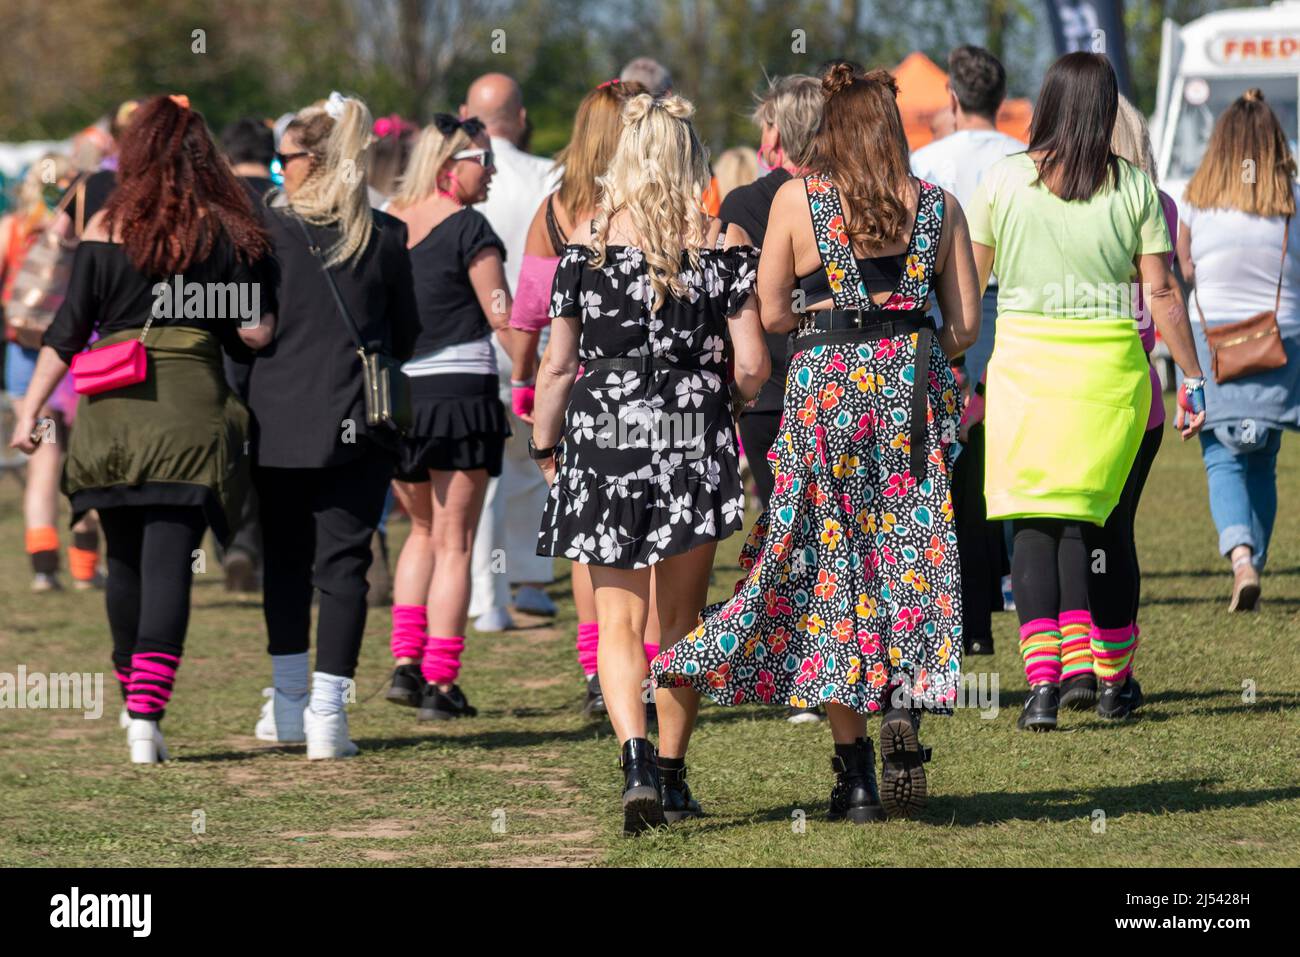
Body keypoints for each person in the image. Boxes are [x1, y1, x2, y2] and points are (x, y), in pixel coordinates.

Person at [653, 64, 980, 825]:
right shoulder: (938, 207)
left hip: (828, 390)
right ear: (894, 131)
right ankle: (901, 693)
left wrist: (826, 307)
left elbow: (767, 310)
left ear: (830, 133)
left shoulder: (800, 202)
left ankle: (857, 776)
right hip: (908, 396)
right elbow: (963, 326)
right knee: (909, 556)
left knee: (832, 570)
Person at [8, 94, 274, 764]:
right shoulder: (221, 230)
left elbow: (66, 334)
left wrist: (31, 412)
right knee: (168, 563)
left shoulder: (103, 229)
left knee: (122, 559)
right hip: (188, 412)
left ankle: (133, 700)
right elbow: (247, 340)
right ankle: (146, 714)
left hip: (109, 413)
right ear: (199, 154)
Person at [533, 92, 768, 834]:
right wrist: (725, 397)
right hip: (691, 433)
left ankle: (632, 757)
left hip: (605, 432)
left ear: (624, 159)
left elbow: (558, 365)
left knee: (617, 620)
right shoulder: (720, 242)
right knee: (682, 620)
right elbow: (755, 362)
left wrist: (546, 443)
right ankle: (669, 770)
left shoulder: (588, 243)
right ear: (689, 157)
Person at [967, 53, 1206, 731]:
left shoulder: (1003, 182)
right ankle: (1113, 681)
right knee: (1105, 531)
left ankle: (1042, 689)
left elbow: (972, 288)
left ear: (1044, 102)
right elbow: (1160, 291)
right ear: (1106, 112)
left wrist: (952, 360)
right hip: (1109, 384)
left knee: (1034, 528)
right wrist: (1191, 373)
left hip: (1024, 377)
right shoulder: (1132, 188)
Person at [245, 92, 419, 759]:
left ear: (310, 160)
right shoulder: (386, 236)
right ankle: (328, 717)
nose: (276, 168)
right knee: (343, 567)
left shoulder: (264, 235)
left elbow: (246, 332)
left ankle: (290, 705)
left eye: (283, 156)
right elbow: (407, 334)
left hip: (276, 420)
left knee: (284, 563)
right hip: (359, 417)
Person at [508, 78, 648, 717]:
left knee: (593, 539)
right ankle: (648, 668)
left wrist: (522, 383)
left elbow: (529, 313)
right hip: (655, 383)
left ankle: (599, 670)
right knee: (655, 538)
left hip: (579, 389)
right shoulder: (657, 207)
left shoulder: (554, 211)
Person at [382, 113, 514, 722]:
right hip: (461, 390)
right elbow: (500, 314)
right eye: (481, 162)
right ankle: (441, 679)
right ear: (447, 167)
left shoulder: (385, 223)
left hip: (397, 396)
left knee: (421, 533)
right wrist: (542, 376)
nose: (491, 173)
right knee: (456, 542)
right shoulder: (469, 227)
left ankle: (405, 666)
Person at [717, 72, 825, 723]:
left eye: (764, 124)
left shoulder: (746, 203)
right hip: (837, 382)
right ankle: (834, 663)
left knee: (785, 533)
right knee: (835, 531)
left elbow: (739, 304)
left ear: (778, 133)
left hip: (768, 395)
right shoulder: (851, 196)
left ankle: (800, 665)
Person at [1177, 88, 1300, 612]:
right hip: (1281, 337)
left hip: (1215, 341)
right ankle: (1257, 561)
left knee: (1222, 459)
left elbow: (1183, 270)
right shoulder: (1293, 197)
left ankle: (1241, 558)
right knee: (1263, 457)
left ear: (1220, 144)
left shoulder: (1195, 199)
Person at [459, 73, 559, 631]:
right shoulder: (547, 173)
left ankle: (486, 595)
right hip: (535, 340)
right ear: (520, 117)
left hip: (469, 342)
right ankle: (526, 582)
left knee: (481, 474)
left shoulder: (451, 174)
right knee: (531, 463)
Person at [1, 154, 103, 591]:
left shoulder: (12, 228)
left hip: (25, 355)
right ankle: (86, 569)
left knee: (43, 459)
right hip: (78, 353)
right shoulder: (90, 225)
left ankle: (44, 570)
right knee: (91, 461)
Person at [910, 45, 1023, 385]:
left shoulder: (923, 161)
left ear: (954, 98)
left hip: (940, 298)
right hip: (1008, 300)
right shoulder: (1025, 159)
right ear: (1001, 98)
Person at [218, 116, 278, 593]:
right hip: (282, 346)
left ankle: (237, 542)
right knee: (272, 453)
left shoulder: (214, 206)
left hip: (219, 349)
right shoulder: (284, 203)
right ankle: (265, 547)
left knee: (230, 450)